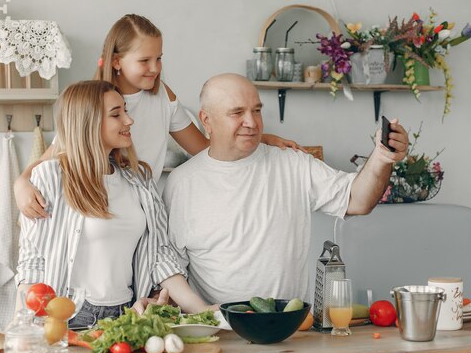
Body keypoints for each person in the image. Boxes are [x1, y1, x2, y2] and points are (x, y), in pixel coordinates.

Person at [15, 14, 301, 220]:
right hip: (94, 214)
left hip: (142, 213)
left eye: (159, 58)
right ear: (116, 61)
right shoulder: (93, 102)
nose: (154, 68)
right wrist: (21, 184)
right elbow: (50, 159)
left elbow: (204, 149)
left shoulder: (162, 96)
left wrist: (259, 138)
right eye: (144, 61)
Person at [162, 73, 409, 305]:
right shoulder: (182, 182)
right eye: (237, 112)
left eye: (256, 110)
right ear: (207, 120)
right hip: (216, 333)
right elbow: (171, 269)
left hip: (289, 330)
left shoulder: (292, 162)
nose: (251, 122)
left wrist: (381, 158)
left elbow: (358, 200)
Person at [15, 80, 212, 326]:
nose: (129, 121)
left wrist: (203, 310)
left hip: (128, 315)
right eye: (116, 114)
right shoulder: (51, 176)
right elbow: (32, 260)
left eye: (126, 111)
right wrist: (23, 325)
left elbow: (161, 256)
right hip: (68, 316)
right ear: (89, 122)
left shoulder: (139, 179)